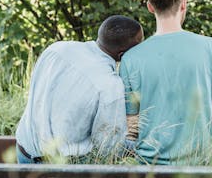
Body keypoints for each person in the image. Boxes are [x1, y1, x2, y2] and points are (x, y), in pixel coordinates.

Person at [120, 0, 212, 165]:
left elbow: (131, 125)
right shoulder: (210, 47)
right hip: (205, 160)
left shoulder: (130, 58)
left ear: (150, 7)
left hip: (152, 164)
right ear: (184, 3)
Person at [15, 15, 144, 164]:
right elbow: (108, 148)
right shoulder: (109, 86)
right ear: (124, 55)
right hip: (59, 167)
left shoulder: (56, 49)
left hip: (24, 150)